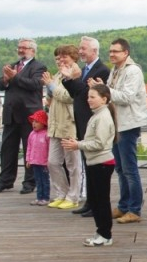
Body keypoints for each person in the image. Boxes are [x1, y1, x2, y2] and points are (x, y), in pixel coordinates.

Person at [62, 83, 117, 247]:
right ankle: (101, 232)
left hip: (102, 163)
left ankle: (105, 234)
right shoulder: (98, 115)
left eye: (93, 97)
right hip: (96, 162)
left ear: (104, 99)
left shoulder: (102, 117)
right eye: (88, 97)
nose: (89, 100)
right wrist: (79, 143)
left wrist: (78, 145)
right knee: (96, 201)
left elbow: (99, 143)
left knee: (101, 201)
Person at [100, 38, 147, 224]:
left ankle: (134, 209)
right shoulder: (115, 70)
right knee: (120, 168)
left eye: (116, 51)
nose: (112, 54)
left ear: (126, 53)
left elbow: (126, 97)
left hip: (128, 124)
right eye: (110, 51)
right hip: (117, 123)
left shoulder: (133, 70)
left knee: (129, 169)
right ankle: (123, 205)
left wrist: (104, 90)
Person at [0, 39, 47, 194]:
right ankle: (5, 181)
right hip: (11, 114)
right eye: (19, 48)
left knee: (31, 149)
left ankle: (29, 183)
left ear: (33, 50)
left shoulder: (39, 67)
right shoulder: (13, 65)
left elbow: (34, 84)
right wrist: (6, 79)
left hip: (29, 115)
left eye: (24, 48)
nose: (21, 50)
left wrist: (15, 77)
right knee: (7, 149)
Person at [67, 37, 110, 217]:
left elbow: (85, 93)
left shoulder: (102, 69)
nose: (80, 52)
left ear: (94, 50)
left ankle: (96, 204)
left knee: (95, 164)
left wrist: (73, 79)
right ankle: (89, 202)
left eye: (83, 49)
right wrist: (70, 79)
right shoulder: (85, 70)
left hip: (94, 121)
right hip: (82, 120)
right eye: (80, 49)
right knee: (87, 164)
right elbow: (75, 93)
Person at [43, 45, 84, 209]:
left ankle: (73, 196)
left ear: (73, 57)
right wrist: (50, 88)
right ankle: (62, 193)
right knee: (52, 162)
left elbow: (69, 96)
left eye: (63, 57)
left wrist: (51, 86)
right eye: (58, 57)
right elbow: (51, 99)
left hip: (69, 124)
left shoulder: (76, 73)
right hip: (55, 125)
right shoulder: (58, 75)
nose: (60, 60)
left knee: (73, 164)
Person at [25, 109, 50, 205]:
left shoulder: (46, 134)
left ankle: (46, 198)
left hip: (44, 163)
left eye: (37, 122)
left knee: (45, 180)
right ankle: (39, 197)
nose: (34, 124)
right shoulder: (32, 134)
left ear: (43, 123)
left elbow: (49, 148)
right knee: (38, 180)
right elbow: (29, 147)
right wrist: (28, 159)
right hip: (34, 162)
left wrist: (48, 160)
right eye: (33, 122)